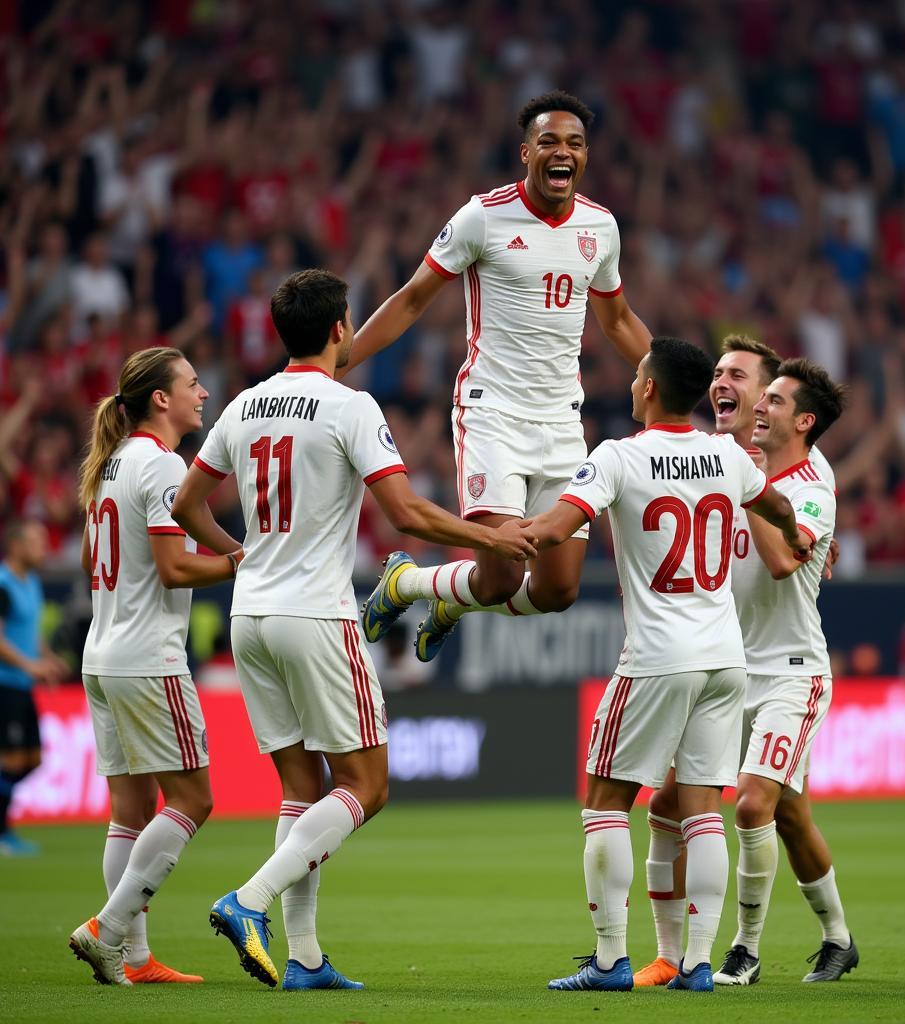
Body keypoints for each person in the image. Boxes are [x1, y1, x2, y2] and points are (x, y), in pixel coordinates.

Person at [170, 269, 534, 991]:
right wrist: (489, 540)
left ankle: (303, 959)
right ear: (341, 328)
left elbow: (186, 503)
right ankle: (249, 902)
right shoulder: (349, 405)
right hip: (314, 614)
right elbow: (406, 515)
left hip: (252, 616)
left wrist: (238, 554)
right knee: (367, 787)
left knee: (301, 790)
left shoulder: (244, 405)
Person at [520, 337, 809, 992]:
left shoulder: (618, 457)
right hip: (724, 658)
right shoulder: (728, 456)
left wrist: (491, 537)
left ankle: (608, 959)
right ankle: (698, 963)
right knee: (703, 808)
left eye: (635, 376)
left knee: (604, 801)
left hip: (656, 656)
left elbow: (557, 528)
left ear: (649, 389)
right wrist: (794, 537)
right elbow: (782, 508)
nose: (630, 385)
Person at [354, 90, 650, 661]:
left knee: (559, 589)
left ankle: (442, 597)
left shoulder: (601, 227)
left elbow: (615, 319)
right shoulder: (482, 217)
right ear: (525, 152)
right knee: (497, 581)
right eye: (549, 142)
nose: (562, 152)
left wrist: (673, 372)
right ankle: (405, 583)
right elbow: (414, 299)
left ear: (586, 156)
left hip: (563, 420)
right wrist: (345, 357)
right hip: (494, 415)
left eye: (575, 143)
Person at [633, 339, 858, 988]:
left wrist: (743, 478)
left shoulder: (811, 485)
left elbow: (786, 559)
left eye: (769, 396)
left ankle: (745, 951)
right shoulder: (723, 461)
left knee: (755, 807)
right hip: (728, 670)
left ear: (802, 421)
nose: (755, 404)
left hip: (791, 671)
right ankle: (837, 938)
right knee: (770, 812)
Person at [70, 347, 245, 986]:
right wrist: (240, 564)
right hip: (149, 656)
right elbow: (174, 568)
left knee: (131, 809)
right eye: (193, 384)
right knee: (194, 799)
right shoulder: (163, 466)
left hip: (103, 653)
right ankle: (106, 930)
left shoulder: (110, 464)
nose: (203, 393)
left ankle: (134, 959)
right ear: (160, 400)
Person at [0, 520, 65, 856]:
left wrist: (47, 658)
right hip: (4, 684)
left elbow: (29, 630)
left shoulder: (32, 583)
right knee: (10, 761)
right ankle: (3, 833)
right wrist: (29, 665)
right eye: (35, 540)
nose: (43, 547)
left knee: (32, 759)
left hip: (22, 685)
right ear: (15, 546)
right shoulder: (4, 584)